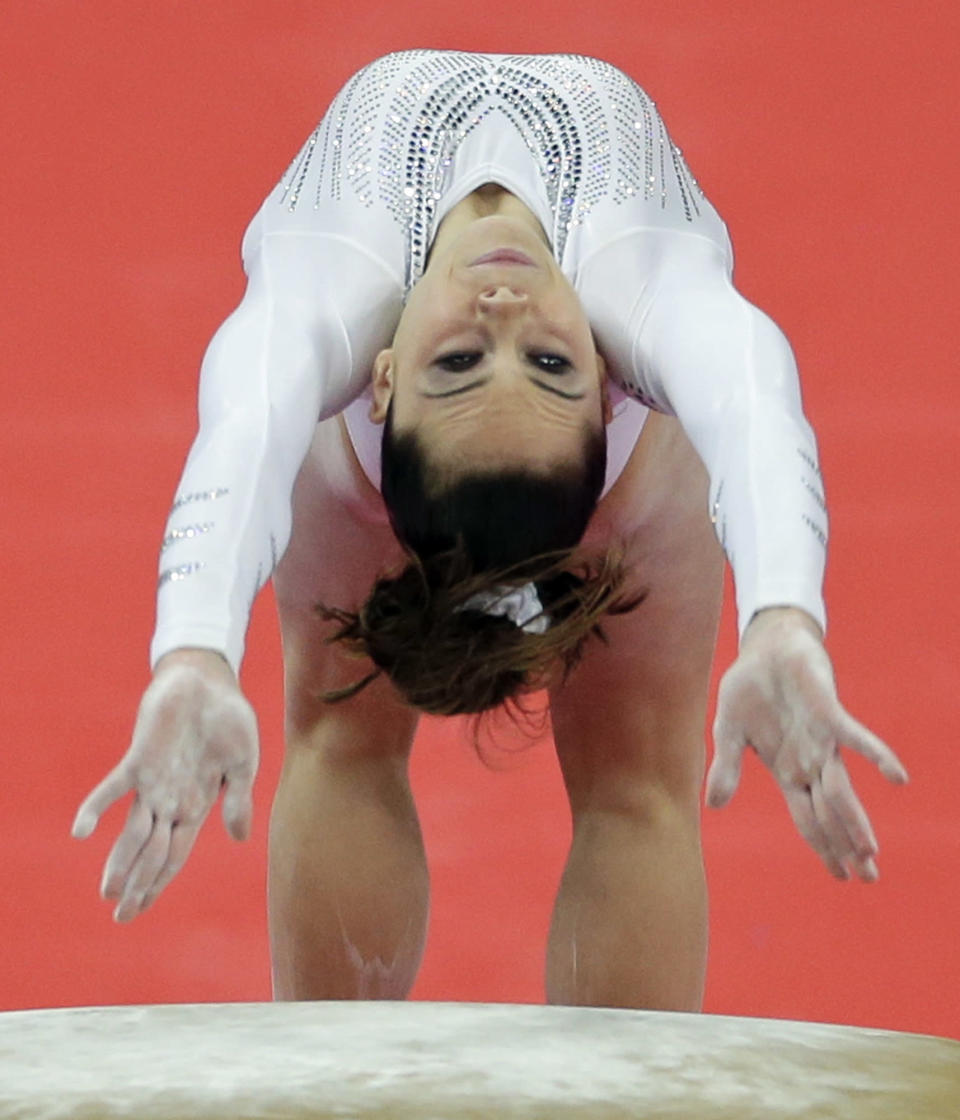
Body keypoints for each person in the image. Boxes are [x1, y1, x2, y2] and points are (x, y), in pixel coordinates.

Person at [73, 50, 908, 1011]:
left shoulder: (327, 287)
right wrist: (782, 616)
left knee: (350, 744)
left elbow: (248, 431)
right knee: (632, 787)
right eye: (548, 361)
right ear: (603, 381)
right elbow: (754, 398)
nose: (503, 311)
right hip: (598, 478)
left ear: (385, 384)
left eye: (463, 360)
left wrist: (194, 653)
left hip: (406, 479)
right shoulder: (644, 285)